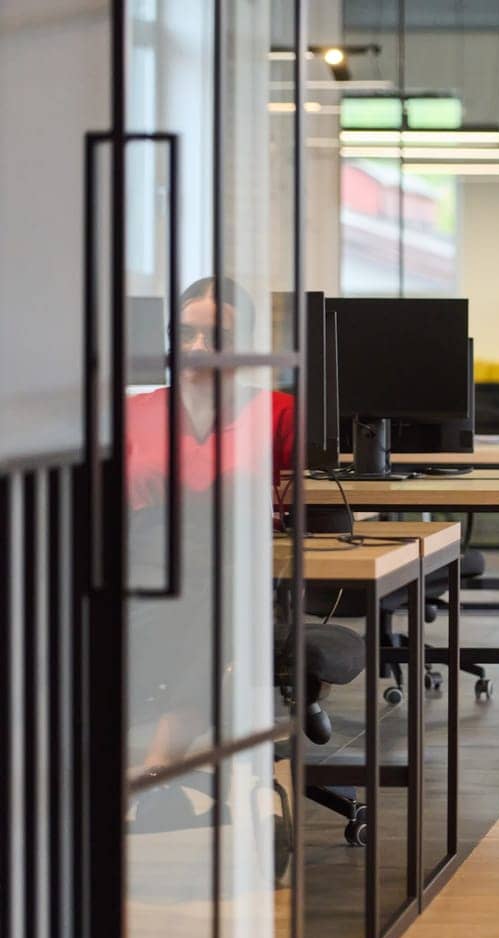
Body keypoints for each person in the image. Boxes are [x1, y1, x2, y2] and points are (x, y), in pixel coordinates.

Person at [126, 276, 295, 792]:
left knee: (215, 600)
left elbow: (301, 506)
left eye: (216, 337)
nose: (199, 349)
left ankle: (159, 762)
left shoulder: (276, 412)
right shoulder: (133, 412)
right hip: (143, 567)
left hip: (236, 564)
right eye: (186, 334)